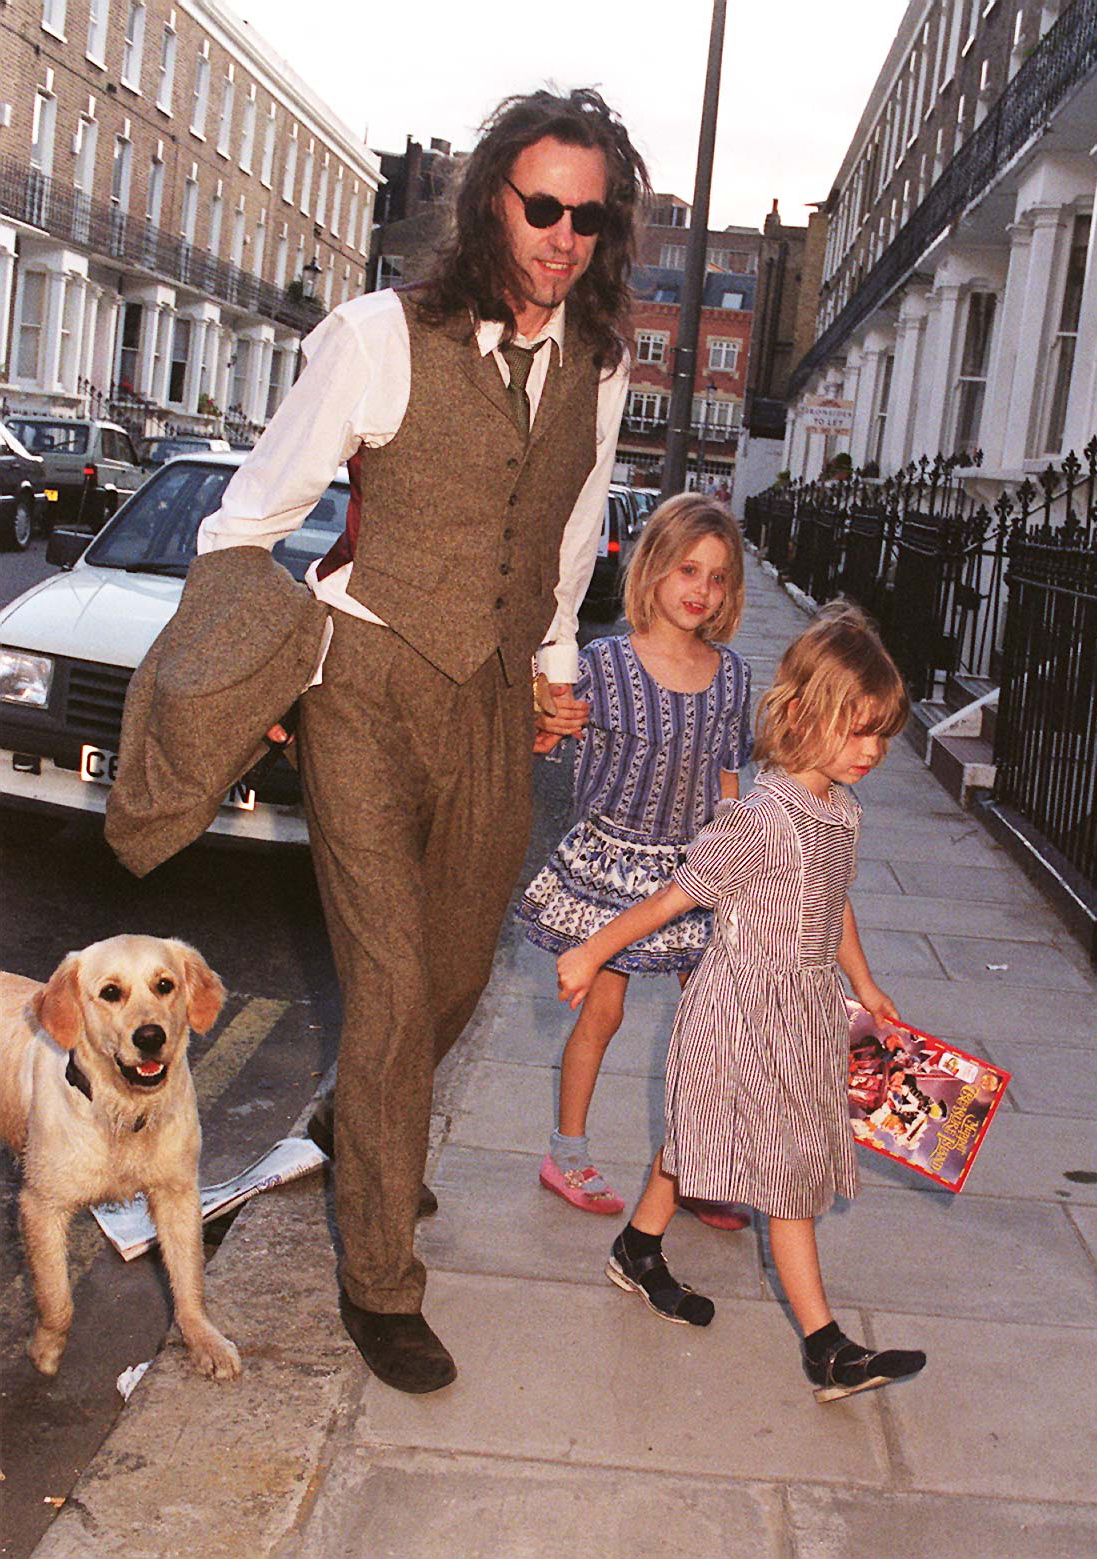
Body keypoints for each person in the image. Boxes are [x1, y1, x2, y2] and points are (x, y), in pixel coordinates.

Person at [195, 88, 650, 1394]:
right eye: (540, 205)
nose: (561, 236)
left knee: (452, 969)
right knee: (390, 982)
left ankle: (356, 1111)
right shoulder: (377, 336)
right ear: (491, 199)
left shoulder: (600, 362)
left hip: (494, 693)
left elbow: (571, 523)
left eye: (587, 214)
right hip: (364, 677)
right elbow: (245, 519)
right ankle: (379, 1274)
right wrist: (249, 660)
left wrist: (555, 662)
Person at [555, 603, 929, 1403]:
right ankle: (825, 1347)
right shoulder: (759, 818)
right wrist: (591, 950)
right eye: (858, 729)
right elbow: (671, 898)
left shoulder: (840, 810)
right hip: (737, 1010)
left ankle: (638, 1249)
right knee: (785, 1173)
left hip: (804, 1009)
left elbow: (834, 903)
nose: (872, 751)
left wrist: (863, 986)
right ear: (799, 715)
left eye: (881, 735)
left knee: (701, 1138)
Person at [516, 494, 752, 1228]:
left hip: (694, 872)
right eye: (687, 569)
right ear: (650, 569)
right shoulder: (604, 663)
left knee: (713, 1022)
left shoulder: (733, 675)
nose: (700, 589)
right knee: (605, 1010)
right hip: (614, 865)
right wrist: (542, 715)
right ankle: (568, 1152)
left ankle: (697, 1164)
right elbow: (544, 739)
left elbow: (727, 780)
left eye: (716, 577)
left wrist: (735, 867)